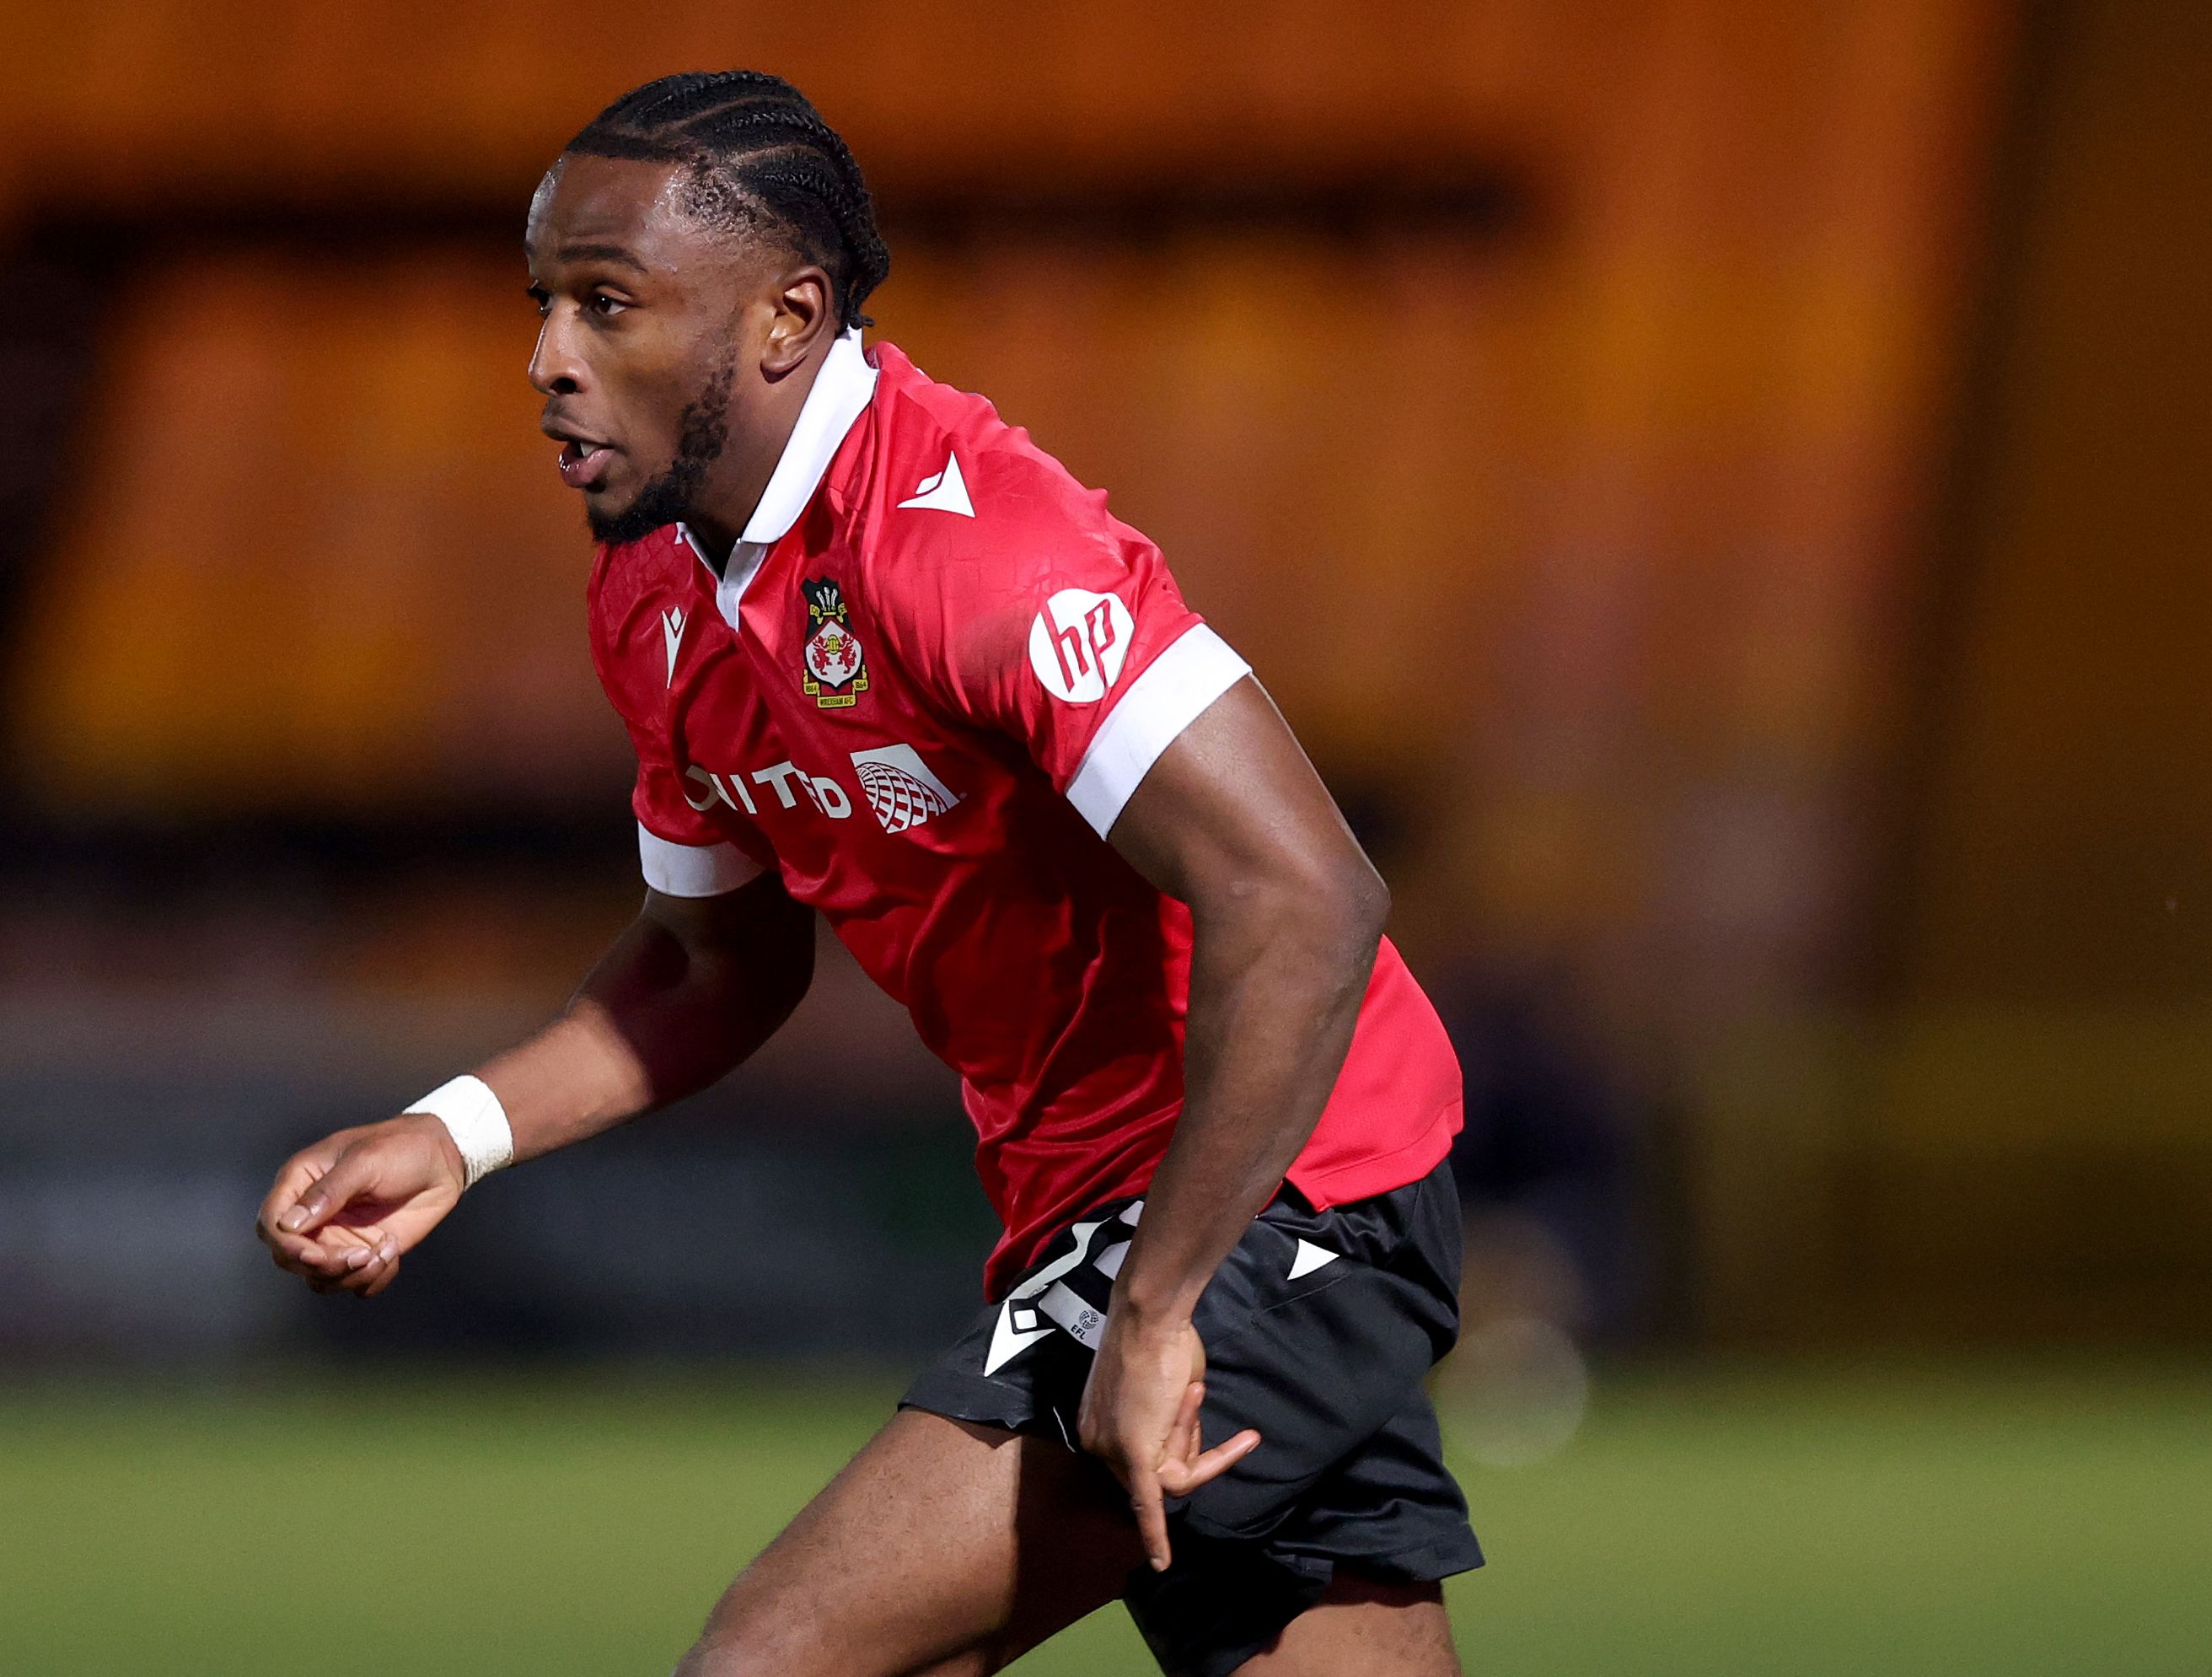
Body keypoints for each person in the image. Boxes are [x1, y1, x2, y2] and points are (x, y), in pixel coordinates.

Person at [256, 71, 1477, 1677]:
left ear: (786, 318)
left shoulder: (976, 547)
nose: (547, 359)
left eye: (606, 305)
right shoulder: (654, 598)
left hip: (1279, 1190)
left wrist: (1163, 1303)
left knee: (784, 1660)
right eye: (543, 303)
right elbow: (715, 966)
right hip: (1105, 1214)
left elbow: (1307, 895)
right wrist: (456, 1133)